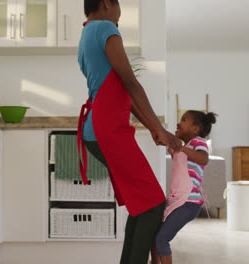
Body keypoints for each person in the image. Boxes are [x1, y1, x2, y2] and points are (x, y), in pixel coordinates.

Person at [76, 0, 182, 263]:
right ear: (106, 3)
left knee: (141, 205)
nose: (120, 16)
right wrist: (159, 129)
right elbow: (131, 83)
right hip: (108, 130)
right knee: (153, 204)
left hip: (99, 130)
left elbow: (123, 91)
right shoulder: (105, 28)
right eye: (119, 8)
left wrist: (156, 129)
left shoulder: (87, 32)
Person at [151, 110, 217, 264]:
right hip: (178, 200)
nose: (178, 123)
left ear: (195, 129)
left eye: (184, 119)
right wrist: (170, 145)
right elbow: (182, 162)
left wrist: (182, 148)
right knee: (155, 233)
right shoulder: (186, 146)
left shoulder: (198, 142)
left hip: (189, 202)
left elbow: (203, 159)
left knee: (162, 239)